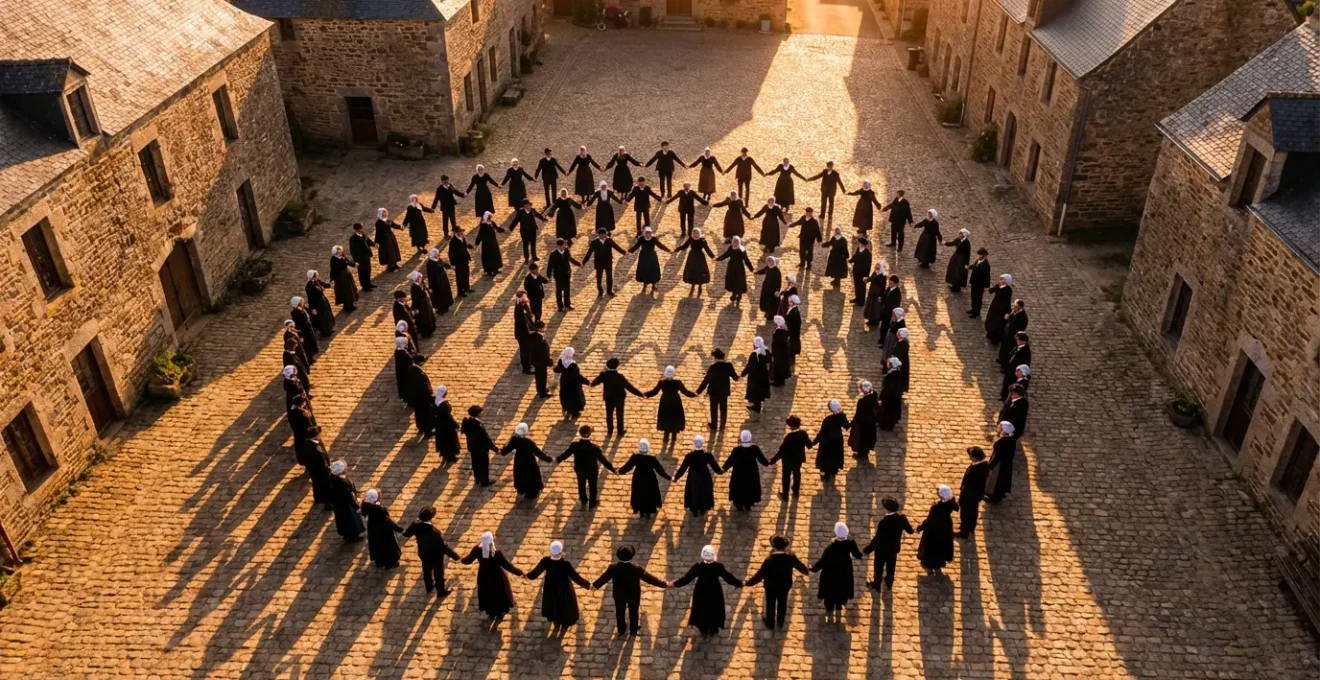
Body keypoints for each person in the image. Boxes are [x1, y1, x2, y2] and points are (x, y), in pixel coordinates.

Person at [593, 545, 669, 636]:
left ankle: (621, 629)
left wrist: (594, 585)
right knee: (634, 611)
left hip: (619, 595)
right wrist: (664, 584)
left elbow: (603, 578)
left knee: (619, 611)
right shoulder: (637, 568)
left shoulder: (612, 568)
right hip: (633, 595)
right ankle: (633, 628)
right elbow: (650, 579)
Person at [671, 545, 743, 639]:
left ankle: (703, 629)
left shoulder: (698, 567)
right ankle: (713, 629)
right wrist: (739, 583)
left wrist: (674, 584)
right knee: (714, 609)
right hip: (715, 591)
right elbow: (728, 577)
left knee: (701, 609)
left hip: (701, 591)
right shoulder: (718, 567)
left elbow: (686, 579)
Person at [744, 535, 810, 629]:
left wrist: (748, 583)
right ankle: (780, 622)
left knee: (770, 604)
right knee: (782, 603)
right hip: (785, 585)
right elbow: (799, 566)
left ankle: (770, 623)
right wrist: (806, 571)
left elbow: (760, 575)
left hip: (771, 586)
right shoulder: (790, 556)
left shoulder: (769, 560)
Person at [525, 540, 591, 632]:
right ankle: (564, 625)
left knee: (553, 605)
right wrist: (588, 585)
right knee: (564, 606)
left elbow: (535, 573)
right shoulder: (565, 564)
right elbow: (576, 577)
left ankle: (556, 623)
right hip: (564, 589)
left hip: (550, 587)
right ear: (561, 552)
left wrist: (526, 576)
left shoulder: (545, 561)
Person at [460, 532, 524, 622]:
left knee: (487, 593)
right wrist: (520, 573)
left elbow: (468, 560)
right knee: (498, 593)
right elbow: (507, 566)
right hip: (497, 576)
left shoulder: (477, 550)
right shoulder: (496, 554)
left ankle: (491, 612)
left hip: (483, 575)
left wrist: (459, 559)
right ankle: (499, 611)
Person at [403, 507, 461, 597]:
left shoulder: (415, 524)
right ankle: (441, 591)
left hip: (423, 552)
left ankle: (429, 586)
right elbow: (443, 547)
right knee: (438, 573)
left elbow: (407, 534)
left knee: (426, 569)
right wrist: (455, 556)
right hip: (435, 555)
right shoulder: (434, 532)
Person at [810, 522, 863, 618]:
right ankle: (839, 605)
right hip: (844, 571)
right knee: (842, 587)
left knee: (830, 590)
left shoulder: (830, 548)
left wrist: (812, 568)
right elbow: (857, 555)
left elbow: (822, 562)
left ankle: (829, 609)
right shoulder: (850, 543)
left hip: (831, 573)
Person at [556, 425, 617, 507]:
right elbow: (603, 460)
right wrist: (613, 469)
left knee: (581, 484)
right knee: (593, 486)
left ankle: (583, 499)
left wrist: (557, 460)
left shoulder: (574, 445)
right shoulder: (595, 448)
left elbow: (565, 455)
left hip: (580, 470)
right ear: (590, 434)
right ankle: (592, 502)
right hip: (592, 471)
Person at [862, 497, 914, 591]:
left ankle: (876, 585)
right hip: (893, 548)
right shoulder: (901, 519)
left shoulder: (883, 522)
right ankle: (889, 583)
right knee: (891, 566)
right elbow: (910, 531)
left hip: (881, 550)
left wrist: (868, 549)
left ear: (887, 509)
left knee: (878, 568)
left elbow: (877, 538)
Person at [590, 357, 646, 436]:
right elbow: (630, 387)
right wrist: (640, 394)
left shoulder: (604, 375)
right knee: (620, 414)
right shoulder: (620, 377)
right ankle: (620, 431)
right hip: (619, 398)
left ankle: (610, 430)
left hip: (608, 398)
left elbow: (594, 383)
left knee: (609, 414)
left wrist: (601, 373)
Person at [618, 439, 672, 516]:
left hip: (638, 478)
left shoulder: (635, 457)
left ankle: (641, 511)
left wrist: (619, 471)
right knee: (649, 495)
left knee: (639, 494)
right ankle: (649, 511)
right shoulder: (651, 459)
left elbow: (628, 466)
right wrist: (669, 478)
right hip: (650, 479)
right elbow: (659, 470)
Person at [644, 366, 697, 444]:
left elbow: (654, 392)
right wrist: (694, 394)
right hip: (675, 401)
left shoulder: (662, 382)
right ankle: (674, 436)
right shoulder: (678, 383)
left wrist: (645, 394)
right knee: (674, 418)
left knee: (666, 417)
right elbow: (685, 392)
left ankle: (666, 436)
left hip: (665, 402)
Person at [499, 422, 551, 500]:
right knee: (531, 476)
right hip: (529, 461)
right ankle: (532, 492)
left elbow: (506, 450)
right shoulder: (529, 442)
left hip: (519, 460)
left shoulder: (514, 439)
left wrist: (501, 450)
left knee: (521, 475)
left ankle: (522, 490)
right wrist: (548, 459)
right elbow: (538, 453)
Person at [674, 436, 722, 516]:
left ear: (694, 443)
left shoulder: (689, 456)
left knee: (694, 492)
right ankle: (703, 508)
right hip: (704, 476)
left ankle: (694, 509)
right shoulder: (707, 456)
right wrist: (721, 471)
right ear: (703, 443)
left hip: (693, 477)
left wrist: (676, 477)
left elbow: (683, 468)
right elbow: (715, 467)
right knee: (704, 492)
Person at [723, 430, 770, 511]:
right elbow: (763, 461)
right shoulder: (755, 449)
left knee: (739, 488)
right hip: (751, 474)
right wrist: (769, 462)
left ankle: (739, 505)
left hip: (739, 474)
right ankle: (748, 504)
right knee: (750, 488)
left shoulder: (737, 450)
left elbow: (730, 461)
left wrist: (724, 468)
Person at [916, 485, 959, 574]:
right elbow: (956, 507)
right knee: (942, 546)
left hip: (935, 530)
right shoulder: (950, 504)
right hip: (946, 527)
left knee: (932, 548)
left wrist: (920, 527)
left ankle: (930, 566)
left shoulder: (935, 508)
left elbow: (929, 521)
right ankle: (939, 565)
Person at [768, 415, 812, 498]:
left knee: (786, 477)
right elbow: (809, 445)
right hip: (798, 459)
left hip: (788, 461)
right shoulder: (803, 434)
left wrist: (772, 461)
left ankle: (785, 495)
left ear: (791, 426)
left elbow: (781, 452)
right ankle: (796, 492)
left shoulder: (788, 438)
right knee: (797, 474)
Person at [696, 348, 739, 429]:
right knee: (723, 409)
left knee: (714, 409)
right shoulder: (728, 366)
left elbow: (706, 381)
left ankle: (714, 425)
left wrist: (698, 391)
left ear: (715, 358)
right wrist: (740, 377)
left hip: (714, 392)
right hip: (724, 392)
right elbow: (735, 378)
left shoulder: (712, 368)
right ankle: (722, 425)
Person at [361, 489, 404, 568]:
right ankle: (390, 563)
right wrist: (399, 529)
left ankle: (379, 561)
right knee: (387, 546)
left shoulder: (365, 505)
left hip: (373, 528)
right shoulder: (379, 509)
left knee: (377, 545)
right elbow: (388, 521)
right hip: (383, 530)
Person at [581, 228, 627, 296]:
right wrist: (584, 262)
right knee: (599, 277)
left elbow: (616, 247)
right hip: (599, 262)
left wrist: (624, 252)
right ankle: (600, 290)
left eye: (605, 234)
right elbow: (589, 253)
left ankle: (609, 291)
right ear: (599, 235)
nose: (605, 235)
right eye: (603, 234)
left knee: (609, 276)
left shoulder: (609, 240)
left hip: (608, 261)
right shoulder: (594, 243)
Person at [295, 425, 333, 509]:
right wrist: (327, 467)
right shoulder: (315, 447)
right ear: (315, 435)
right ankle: (327, 503)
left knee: (316, 483)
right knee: (325, 485)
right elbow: (321, 458)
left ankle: (318, 498)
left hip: (312, 469)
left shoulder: (306, 443)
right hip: (319, 469)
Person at [326, 460, 365, 541]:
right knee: (350, 520)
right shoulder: (341, 483)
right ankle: (352, 536)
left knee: (342, 520)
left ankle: (346, 534)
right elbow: (348, 497)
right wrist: (356, 505)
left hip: (338, 505)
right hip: (346, 505)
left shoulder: (331, 477)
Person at [461, 405, 499, 486]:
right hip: (481, 448)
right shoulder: (478, 426)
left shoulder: (466, 421)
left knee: (475, 463)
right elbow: (486, 440)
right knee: (483, 465)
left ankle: (477, 478)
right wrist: (496, 449)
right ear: (477, 414)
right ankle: (484, 481)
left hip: (472, 447)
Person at [956, 447, 989, 538]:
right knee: (973, 511)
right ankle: (970, 526)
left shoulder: (976, 470)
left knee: (966, 513)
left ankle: (964, 531)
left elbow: (969, 483)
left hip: (969, 495)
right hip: (975, 495)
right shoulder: (983, 465)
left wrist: (962, 496)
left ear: (974, 458)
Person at [628, 226, 671, 293]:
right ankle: (645, 283)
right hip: (644, 257)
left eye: (649, 233)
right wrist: (629, 251)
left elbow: (660, 245)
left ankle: (653, 284)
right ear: (645, 233)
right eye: (647, 233)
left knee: (653, 270)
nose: (648, 235)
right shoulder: (642, 239)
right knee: (644, 270)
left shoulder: (653, 239)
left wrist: (668, 250)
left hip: (652, 257)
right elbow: (636, 246)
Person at [675, 228, 717, 297]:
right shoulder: (690, 239)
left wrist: (712, 256)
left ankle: (700, 286)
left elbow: (707, 249)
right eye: (694, 233)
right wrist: (676, 249)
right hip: (692, 257)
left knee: (700, 271)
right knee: (692, 271)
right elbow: (684, 246)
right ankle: (693, 285)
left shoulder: (702, 241)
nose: (695, 235)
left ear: (699, 234)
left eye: (697, 233)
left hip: (700, 258)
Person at [814, 399, 850, 478]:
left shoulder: (827, 420)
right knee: (836, 455)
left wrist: (814, 442)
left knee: (827, 457)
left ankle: (827, 473)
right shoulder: (841, 416)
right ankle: (834, 470)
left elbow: (822, 433)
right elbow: (847, 426)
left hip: (828, 441)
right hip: (838, 439)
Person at [715, 236, 755, 303]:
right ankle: (734, 294)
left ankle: (739, 294)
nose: (735, 244)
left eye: (736, 242)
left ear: (739, 243)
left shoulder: (742, 250)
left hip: (739, 268)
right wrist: (717, 259)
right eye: (734, 242)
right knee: (733, 281)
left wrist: (751, 269)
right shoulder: (731, 248)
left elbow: (746, 260)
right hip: (731, 267)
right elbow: (726, 255)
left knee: (739, 281)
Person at [546, 238, 581, 312]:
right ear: (558, 246)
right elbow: (550, 265)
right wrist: (549, 276)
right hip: (558, 275)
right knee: (559, 291)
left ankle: (567, 305)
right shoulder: (553, 254)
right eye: (562, 246)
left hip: (566, 274)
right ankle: (560, 306)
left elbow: (570, 258)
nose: (563, 247)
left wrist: (578, 263)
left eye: (564, 245)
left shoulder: (566, 250)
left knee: (567, 290)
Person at [986, 421, 1017, 502]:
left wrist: (990, 466)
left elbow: (997, 457)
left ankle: (993, 497)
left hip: (999, 465)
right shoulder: (1010, 439)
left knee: (996, 481)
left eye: (1000, 427)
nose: (998, 428)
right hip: (1005, 464)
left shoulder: (1002, 442)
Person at [553, 347, 588, 419]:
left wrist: (554, 368)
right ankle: (575, 413)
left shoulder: (562, 361)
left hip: (564, 381)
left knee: (566, 396)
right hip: (573, 384)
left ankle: (567, 409)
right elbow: (577, 375)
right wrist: (585, 381)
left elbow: (557, 369)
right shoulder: (573, 365)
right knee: (574, 397)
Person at [848, 381, 878, 461]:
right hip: (871, 421)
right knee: (868, 437)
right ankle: (865, 452)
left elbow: (858, 413)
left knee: (862, 438)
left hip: (863, 423)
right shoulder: (873, 395)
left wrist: (853, 422)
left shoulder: (862, 401)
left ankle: (862, 454)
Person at [431, 386, 461, 465]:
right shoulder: (443, 405)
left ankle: (444, 454)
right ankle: (450, 457)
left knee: (442, 441)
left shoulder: (434, 401)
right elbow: (449, 417)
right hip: (447, 427)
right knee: (449, 442)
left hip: (439, 426)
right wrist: (456, 425)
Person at [1000, 331, 1031, 400]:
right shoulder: (1018, 347)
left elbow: (1025, 363)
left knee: (1010, 384)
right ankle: (1003, 396)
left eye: (1018, 340)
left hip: (1015, 370)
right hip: (1010, 368)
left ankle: (1007, 397)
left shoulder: (1025, 350)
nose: (1017, 341)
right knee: (1006, 382)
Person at [304, 272, 336, 337]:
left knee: (327, 314)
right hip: (317, 304)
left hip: (322, 300)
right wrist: (319, 289)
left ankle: (329, 328)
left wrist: (330, 285)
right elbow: (312, 297)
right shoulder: (309, 286)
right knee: (322, 317)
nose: (317, 277)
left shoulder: (316, 281)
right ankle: (325, 331)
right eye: (316, 276)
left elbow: (323, 284)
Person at [878, 357, 905, 431]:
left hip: (889, 397)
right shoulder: (900, 373)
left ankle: (885, 425)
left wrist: (881, 398)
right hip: (896, 397)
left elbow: (885, 389)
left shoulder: (889, 376)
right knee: (893, 411)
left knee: (887, 411)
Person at [984, 274, 1014, 342]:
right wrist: (986, 289)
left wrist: (1007, 312)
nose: (1000, 280)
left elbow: (1007, 301)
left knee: (997, 324)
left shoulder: (1008, 290)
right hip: (994, 306)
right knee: (990, 320)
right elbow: (991, 290)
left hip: (1001, 310)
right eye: (1000, 279)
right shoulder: (998, 286)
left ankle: (995, 339)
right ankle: (989, 333)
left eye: (1002, 279)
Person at [999, 300, 1030, 366]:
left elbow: (1021, 328)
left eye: (1016, 306)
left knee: (1008, 350)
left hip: (1012, 336)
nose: (1014, 307)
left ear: (1020, 307)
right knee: (1004, 347)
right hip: (1007, 333)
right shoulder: (1014, 311)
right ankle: (1001, 359)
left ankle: (1005, 364)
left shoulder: (1023, 317)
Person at [424, 249, 454, 316]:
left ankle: (446, 306)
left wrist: (449, 266)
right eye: (436, 254)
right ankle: (441, 309)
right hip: (436, 281)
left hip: (443, 279)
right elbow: (431, 274)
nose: (438, 255)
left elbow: (443, 264)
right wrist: (431, 286)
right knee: (439, 295)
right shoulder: (430, 263)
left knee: (445, 292)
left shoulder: (438, 259)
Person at [447, 226, 475, 296]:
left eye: (461, 232)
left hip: (464, 260)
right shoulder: (453, 241)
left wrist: (469, 247)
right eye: (459, 232)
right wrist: (453, 262)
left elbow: (465, 246)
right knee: (460, 276)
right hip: (458, 261)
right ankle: (460, 291)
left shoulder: (462, 238)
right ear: (456, 233)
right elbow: (451, 252)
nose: (461, 233)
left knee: (466, 274)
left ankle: (466, 287)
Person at [528, 321, 553, 398]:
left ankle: (539, 390)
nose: (545, 329)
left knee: (538, 377)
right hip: (541, 362)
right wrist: (549, 361)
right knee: (542, 378)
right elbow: (543, 353)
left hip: (535, 360)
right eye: (543, 327)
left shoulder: (532, 336)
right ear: (539, 329)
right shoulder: (540, 340)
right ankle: (542, 393)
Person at [475, 212, 505, 276]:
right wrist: (477, 242)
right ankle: (489, 270)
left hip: (493, 242)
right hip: (487, 244)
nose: (490, 218)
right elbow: (480, 234)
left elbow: (497, 228)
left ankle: (496, 269)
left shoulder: (492, 222)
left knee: (495, 255)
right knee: (489, 257)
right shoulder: (483, 225)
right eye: (489, 217)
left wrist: (503, 230)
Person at [348, 223, 376, 291]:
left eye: (361, 229)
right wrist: (356, 260)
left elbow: (368, 241)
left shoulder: (363, 234)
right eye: (359, 229)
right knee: (362, 272)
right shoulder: (353, 239)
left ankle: (368, 283)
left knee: (368, 270)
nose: (361, 230)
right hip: (360, 258)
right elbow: (353, 251)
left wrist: (374, 244)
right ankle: (365, 286)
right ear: (355, 230)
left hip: (366, 256)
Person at [330, 246, 358, 312]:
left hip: (346, 275)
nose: (341, 252)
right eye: (339, 251)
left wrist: (353, 264)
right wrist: (332, 280)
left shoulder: (342, 256)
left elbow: (347, 262)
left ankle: (349, 305)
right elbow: (333, 271)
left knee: (350, 290)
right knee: (346, 292)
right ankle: (348, 306)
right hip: (341, 278)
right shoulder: (334, 260)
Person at [408, 272, 437, 337]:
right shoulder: (414, 287)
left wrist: (428, 290)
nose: (420, 279)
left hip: (426, 303)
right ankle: (425, 333)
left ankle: (430, 330)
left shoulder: (421, 283)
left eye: (420, 278)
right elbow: (415, 298)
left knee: (429, 316)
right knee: (423, 319)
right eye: (419, 278)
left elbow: (425, 287)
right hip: (420, 305)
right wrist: (415, 307)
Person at [755, 256, 782, 322]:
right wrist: (757, 272)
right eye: (769, 261)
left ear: (774, 262)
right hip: (766, 287)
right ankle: (767, 311)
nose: (769, 262)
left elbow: (779, 282)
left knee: (772, 302)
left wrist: (777, 291)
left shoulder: (777, 271)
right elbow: (763, 270)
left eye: (771, 261)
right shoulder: (768, 267)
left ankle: (772, 314)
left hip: (773, 289)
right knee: (766, 300)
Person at [862, 261, 889, 328]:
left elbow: (883, 286)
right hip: (872, 291)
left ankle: (875, 322)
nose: (877, 267)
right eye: (876, 265)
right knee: (871, 306)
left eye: (878, 266)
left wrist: (880, 296)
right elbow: (871, 278)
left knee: (876, 307)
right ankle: (870, 320)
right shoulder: (875, 272)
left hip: (877, 293)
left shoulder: (883, 275)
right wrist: (867, 280)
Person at [848, 237, 873, 305]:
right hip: (856, 271)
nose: (858, 244)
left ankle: (861, 301)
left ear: (862, 244)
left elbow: (868, 265)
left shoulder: (867, 254)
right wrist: (850, 261)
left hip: (862, 273)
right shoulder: (858, 249)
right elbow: (855, 256)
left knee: (861, 287)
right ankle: (857, 298)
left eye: (859, 243)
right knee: (856, 286)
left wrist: (866, 275)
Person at [967, 248, 992, 317]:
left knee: (978, 298)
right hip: (974, 282)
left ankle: (976, 312)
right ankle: (973, 308)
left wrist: (986, 287)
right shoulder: (978, 260)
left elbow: (987, 277)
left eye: (980, 255)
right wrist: (969, 267)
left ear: (984, 255)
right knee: (973, 296)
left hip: (980, 285)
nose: (979, 256)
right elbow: (975, 266)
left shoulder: (986, 265)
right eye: (979, 255)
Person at [770, 315, 792, 386]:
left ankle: (778, 382)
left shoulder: (778, 332)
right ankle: (782, 381)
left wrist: (773, 354)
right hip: (784, 352)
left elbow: (776, 344)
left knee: (778, 367)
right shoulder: (785, 329)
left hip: (778, 353)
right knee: (782, 366)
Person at [892, 327, 911, 393]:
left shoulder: (903, 344)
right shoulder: (902, 342)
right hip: (901, 360)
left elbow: (899, 354)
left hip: (901, 362)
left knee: (901, 376)